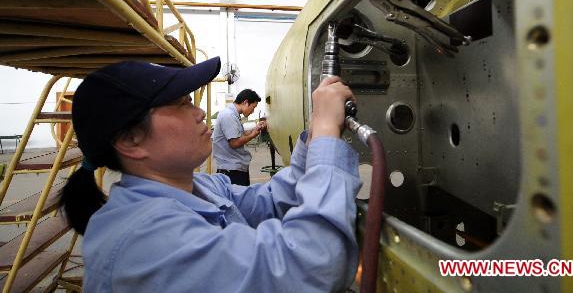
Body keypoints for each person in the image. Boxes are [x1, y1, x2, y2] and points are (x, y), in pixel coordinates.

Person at [60, 56, 362, 292]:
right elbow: (311, 266)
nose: (200, 113)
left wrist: (315, 134)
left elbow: (272, 199)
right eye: (180, 104)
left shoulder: (201, 187)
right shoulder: (144, 240)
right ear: (130, 141)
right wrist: (325, 135)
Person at [212, 89, 265, 186]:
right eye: (253, 107)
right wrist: (253, 135)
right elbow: (235, 143)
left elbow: (239, 134)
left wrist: (255, 129)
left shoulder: (233, 115)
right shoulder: (228, 115)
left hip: (235, 169)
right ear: (245, 102)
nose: (252, 111)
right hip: (231, 171)